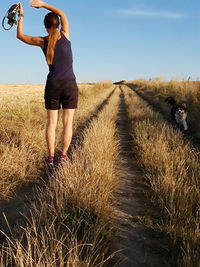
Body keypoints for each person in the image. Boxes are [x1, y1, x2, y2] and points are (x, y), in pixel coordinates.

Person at [17, 0, 78, 166]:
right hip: (69, 85)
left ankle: (50, 158)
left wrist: (20, 16)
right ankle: (63, 156)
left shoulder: (42, 41)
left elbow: (20, 36)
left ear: (45, 27)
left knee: (51, 123)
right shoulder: (65, 34)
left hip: (53, 85)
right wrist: (43, 4)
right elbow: (63, 13)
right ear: (58, 25)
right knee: (67, 123)